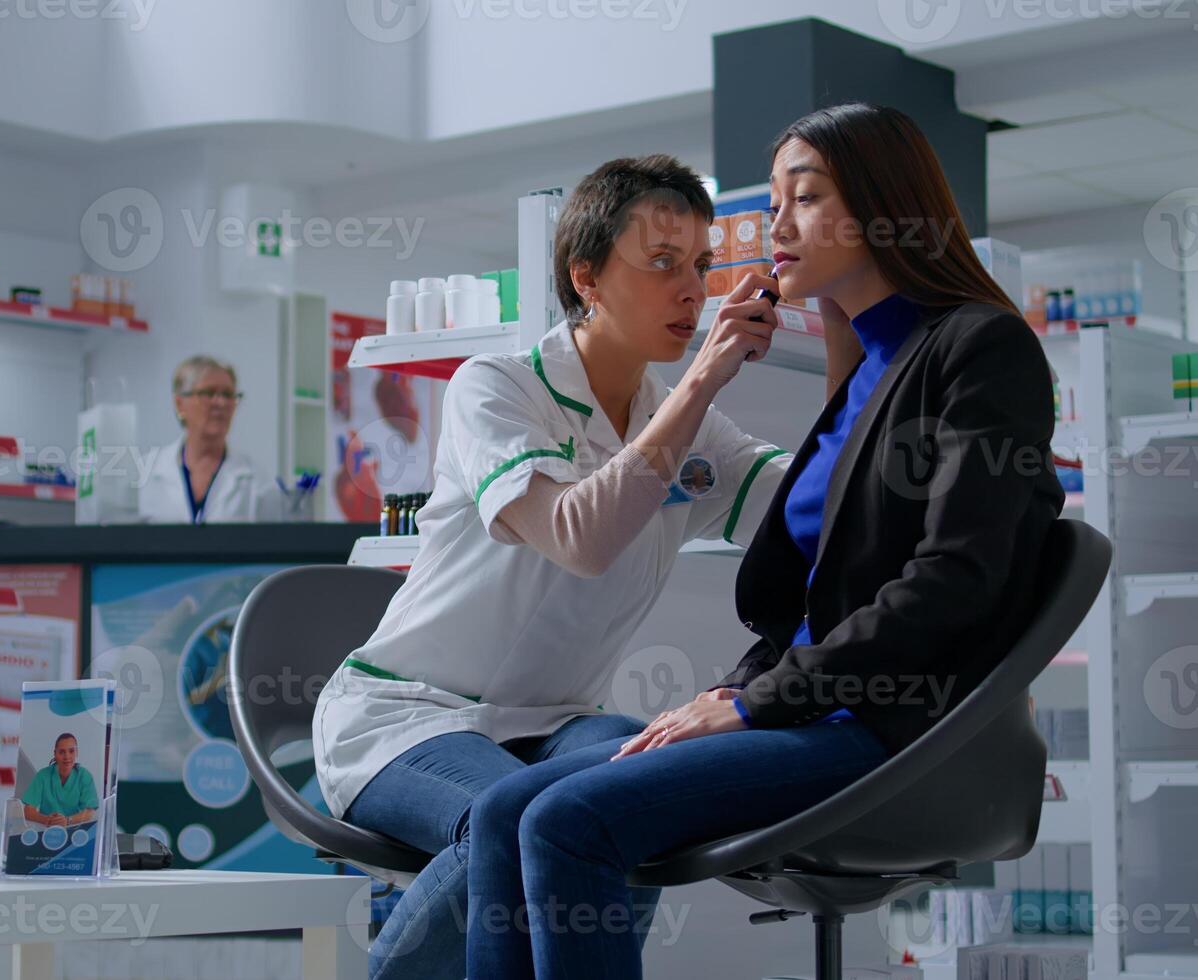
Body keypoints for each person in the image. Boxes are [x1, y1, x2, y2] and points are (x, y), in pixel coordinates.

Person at [464, 103, 1064, 979]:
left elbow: (952, 581)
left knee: (566, 822)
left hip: (901, 727)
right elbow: (815, 603)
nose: (775, 226)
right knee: (497, 813)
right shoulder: (870, 369)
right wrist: (724, 693)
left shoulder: (980, 346)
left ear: (887, 208)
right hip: (821, 708)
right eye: (774, 201)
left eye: (806, 198)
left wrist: (751, 705)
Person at [312, 154, 812, 980]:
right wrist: (702, 382)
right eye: (661, 264)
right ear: (586, 275)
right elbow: (579, 535)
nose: (692, 291)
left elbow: (806, 506)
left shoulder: (679, 422)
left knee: (642, 790)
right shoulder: (498, 390)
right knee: (509, 823)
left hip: (555, 723)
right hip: (408, 716)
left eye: (699, 267)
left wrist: (929, 460)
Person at [138, 355, 263, 524]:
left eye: (228, 395)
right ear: (180, 403)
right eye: (209, 393)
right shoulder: (146, 472)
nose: (221, 403)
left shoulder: (256, 481)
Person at [22, 733, 99, 828]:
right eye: (62, 752)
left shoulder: (84, 776)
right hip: (47, 831)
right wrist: (47, 820)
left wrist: (67, 821)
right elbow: (28, 811)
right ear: (55, 754)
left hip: (76, 832)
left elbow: (90, 812)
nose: (67, 756)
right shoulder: (43, 776)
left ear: (77, 752)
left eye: (71, 751)